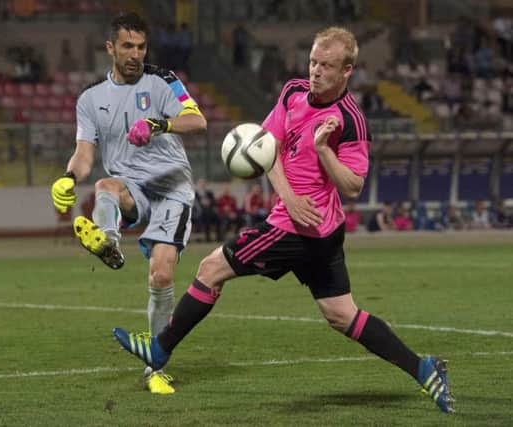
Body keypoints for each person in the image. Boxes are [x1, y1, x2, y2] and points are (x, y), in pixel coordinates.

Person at [113, 27, 454, 413]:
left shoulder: (351, 121)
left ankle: (159, 350)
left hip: (296, 231)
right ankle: (422, 368)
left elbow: (354, 185)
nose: (315, 71)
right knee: (342, 315)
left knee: (210, 269)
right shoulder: (293, 92)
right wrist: (288, 196)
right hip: (310, 224)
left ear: (347, 71)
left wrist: (323, 151)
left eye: (325, 66)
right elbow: (266, 146)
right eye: (312, 61)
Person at [50, 12, 207, 395]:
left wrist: (159, 124)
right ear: (111, 48)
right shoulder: (90, 99)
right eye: (127, 46)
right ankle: (107, 240)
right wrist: (68, 178)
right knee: (104, 183)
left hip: (172, 187)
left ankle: (155, 366)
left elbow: (197, 120)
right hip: (132, 188)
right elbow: (85, 153)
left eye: (141, 46)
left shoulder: (164, 80)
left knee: (162, 276)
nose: (136, 54)